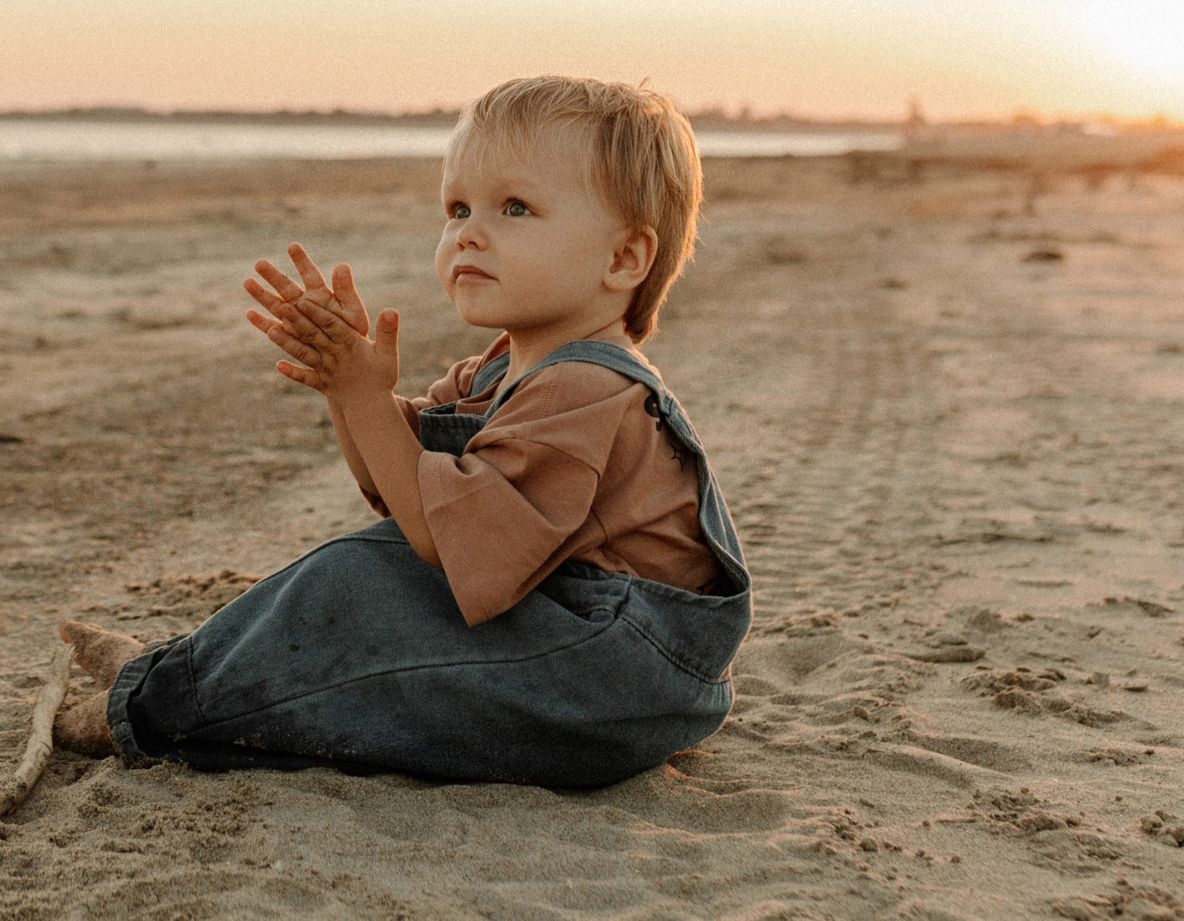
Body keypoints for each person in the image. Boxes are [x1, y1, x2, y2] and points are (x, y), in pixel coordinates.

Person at [52, 75, 752, 787]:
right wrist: (348, 386)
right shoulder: (499, 371)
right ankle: (178, 674)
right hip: (571, 662)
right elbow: (397, 484)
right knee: (369, 570)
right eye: (457, 207)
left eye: (515, 207)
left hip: (613, 685)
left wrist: (364, 393)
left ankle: (147, 705)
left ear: (623, 259)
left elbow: (436, 535)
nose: (469, 231)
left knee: (357, 584)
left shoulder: (589, 388)